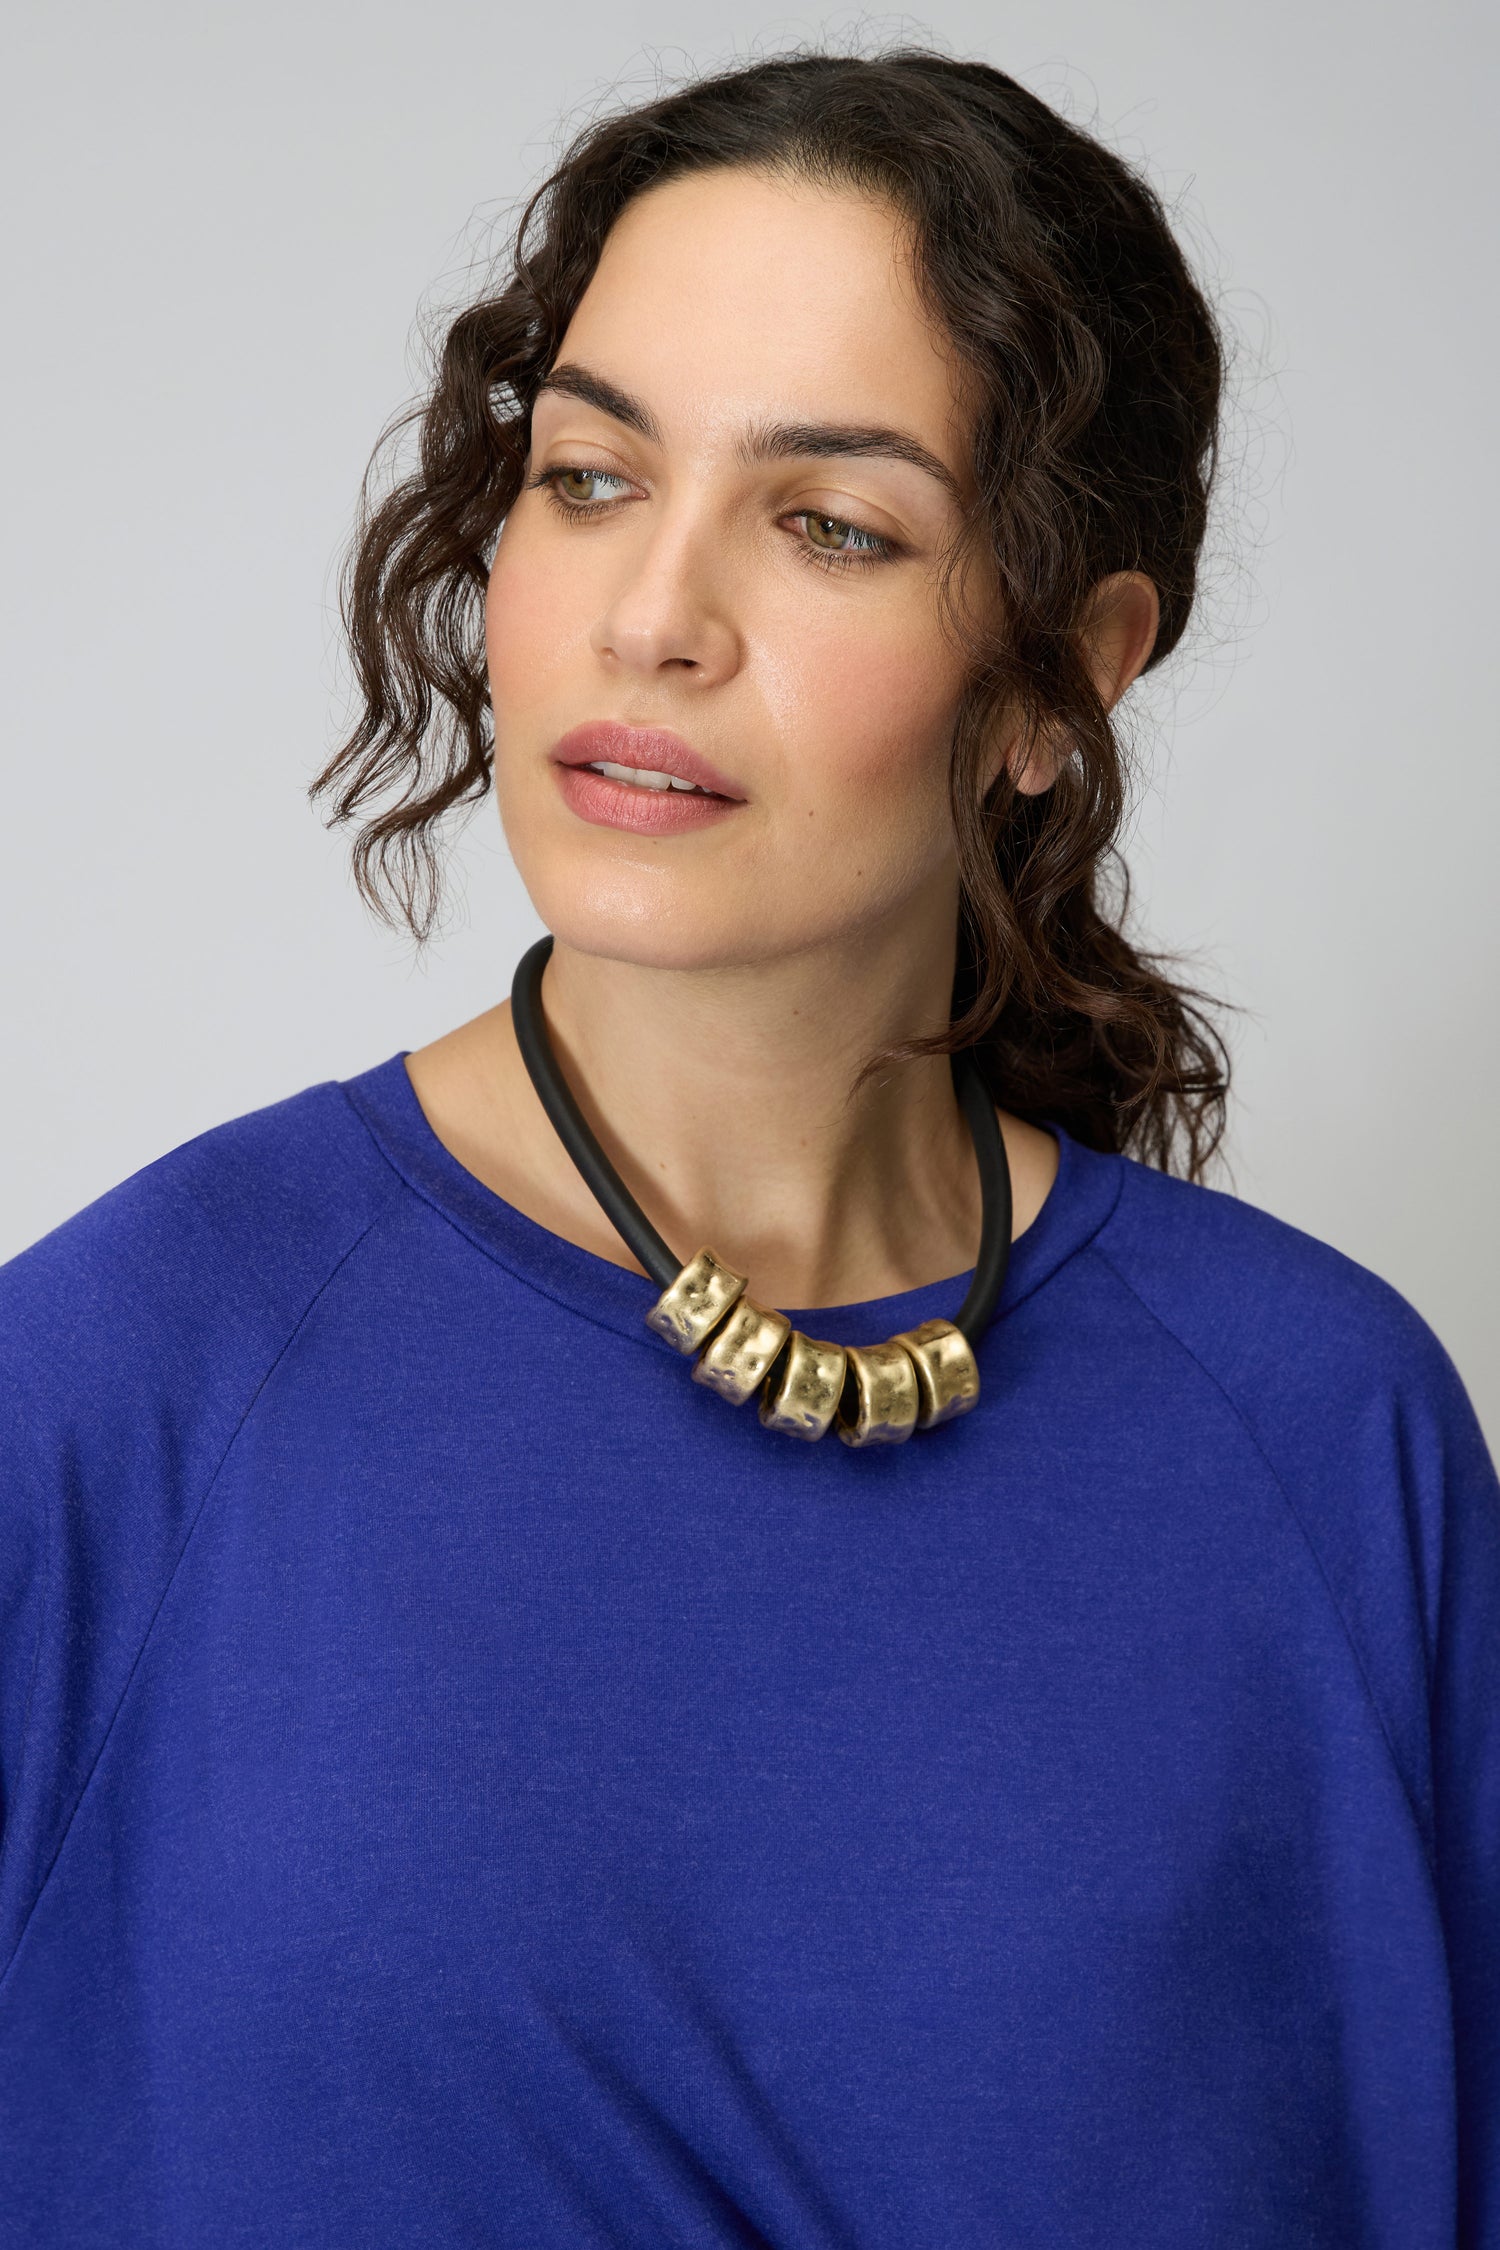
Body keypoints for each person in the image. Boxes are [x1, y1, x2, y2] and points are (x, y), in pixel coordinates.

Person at [1, 46, 1495, 2249]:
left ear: (1049, 689)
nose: (652, 615)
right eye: (591, 477)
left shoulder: (1330, 1433)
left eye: (830, 523)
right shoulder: (113, 1388)